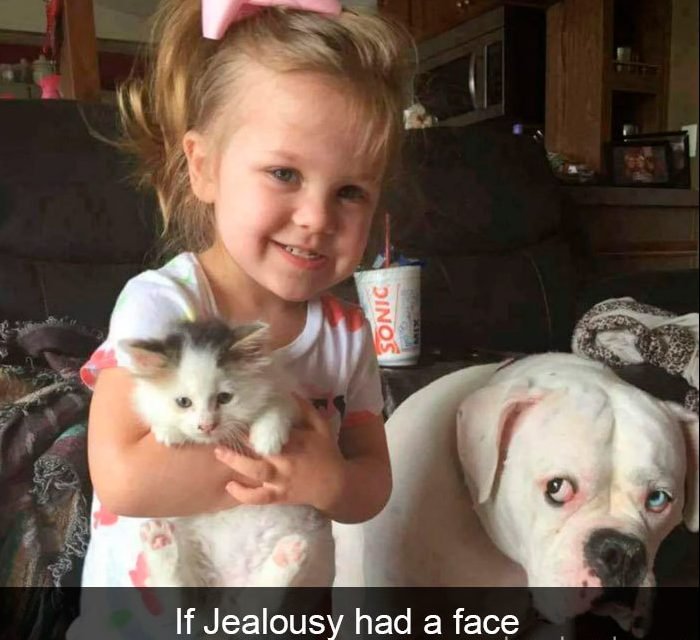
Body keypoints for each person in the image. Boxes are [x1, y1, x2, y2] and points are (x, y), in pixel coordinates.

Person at [77, 0, 413, 592]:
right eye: (285, 174)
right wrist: (282, 462)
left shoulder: (347, 333)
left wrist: (331, 481)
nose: (316, 218)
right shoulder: (161, 305)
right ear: (204, 168)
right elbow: (123, 480)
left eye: (350, 191)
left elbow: (373, 485)